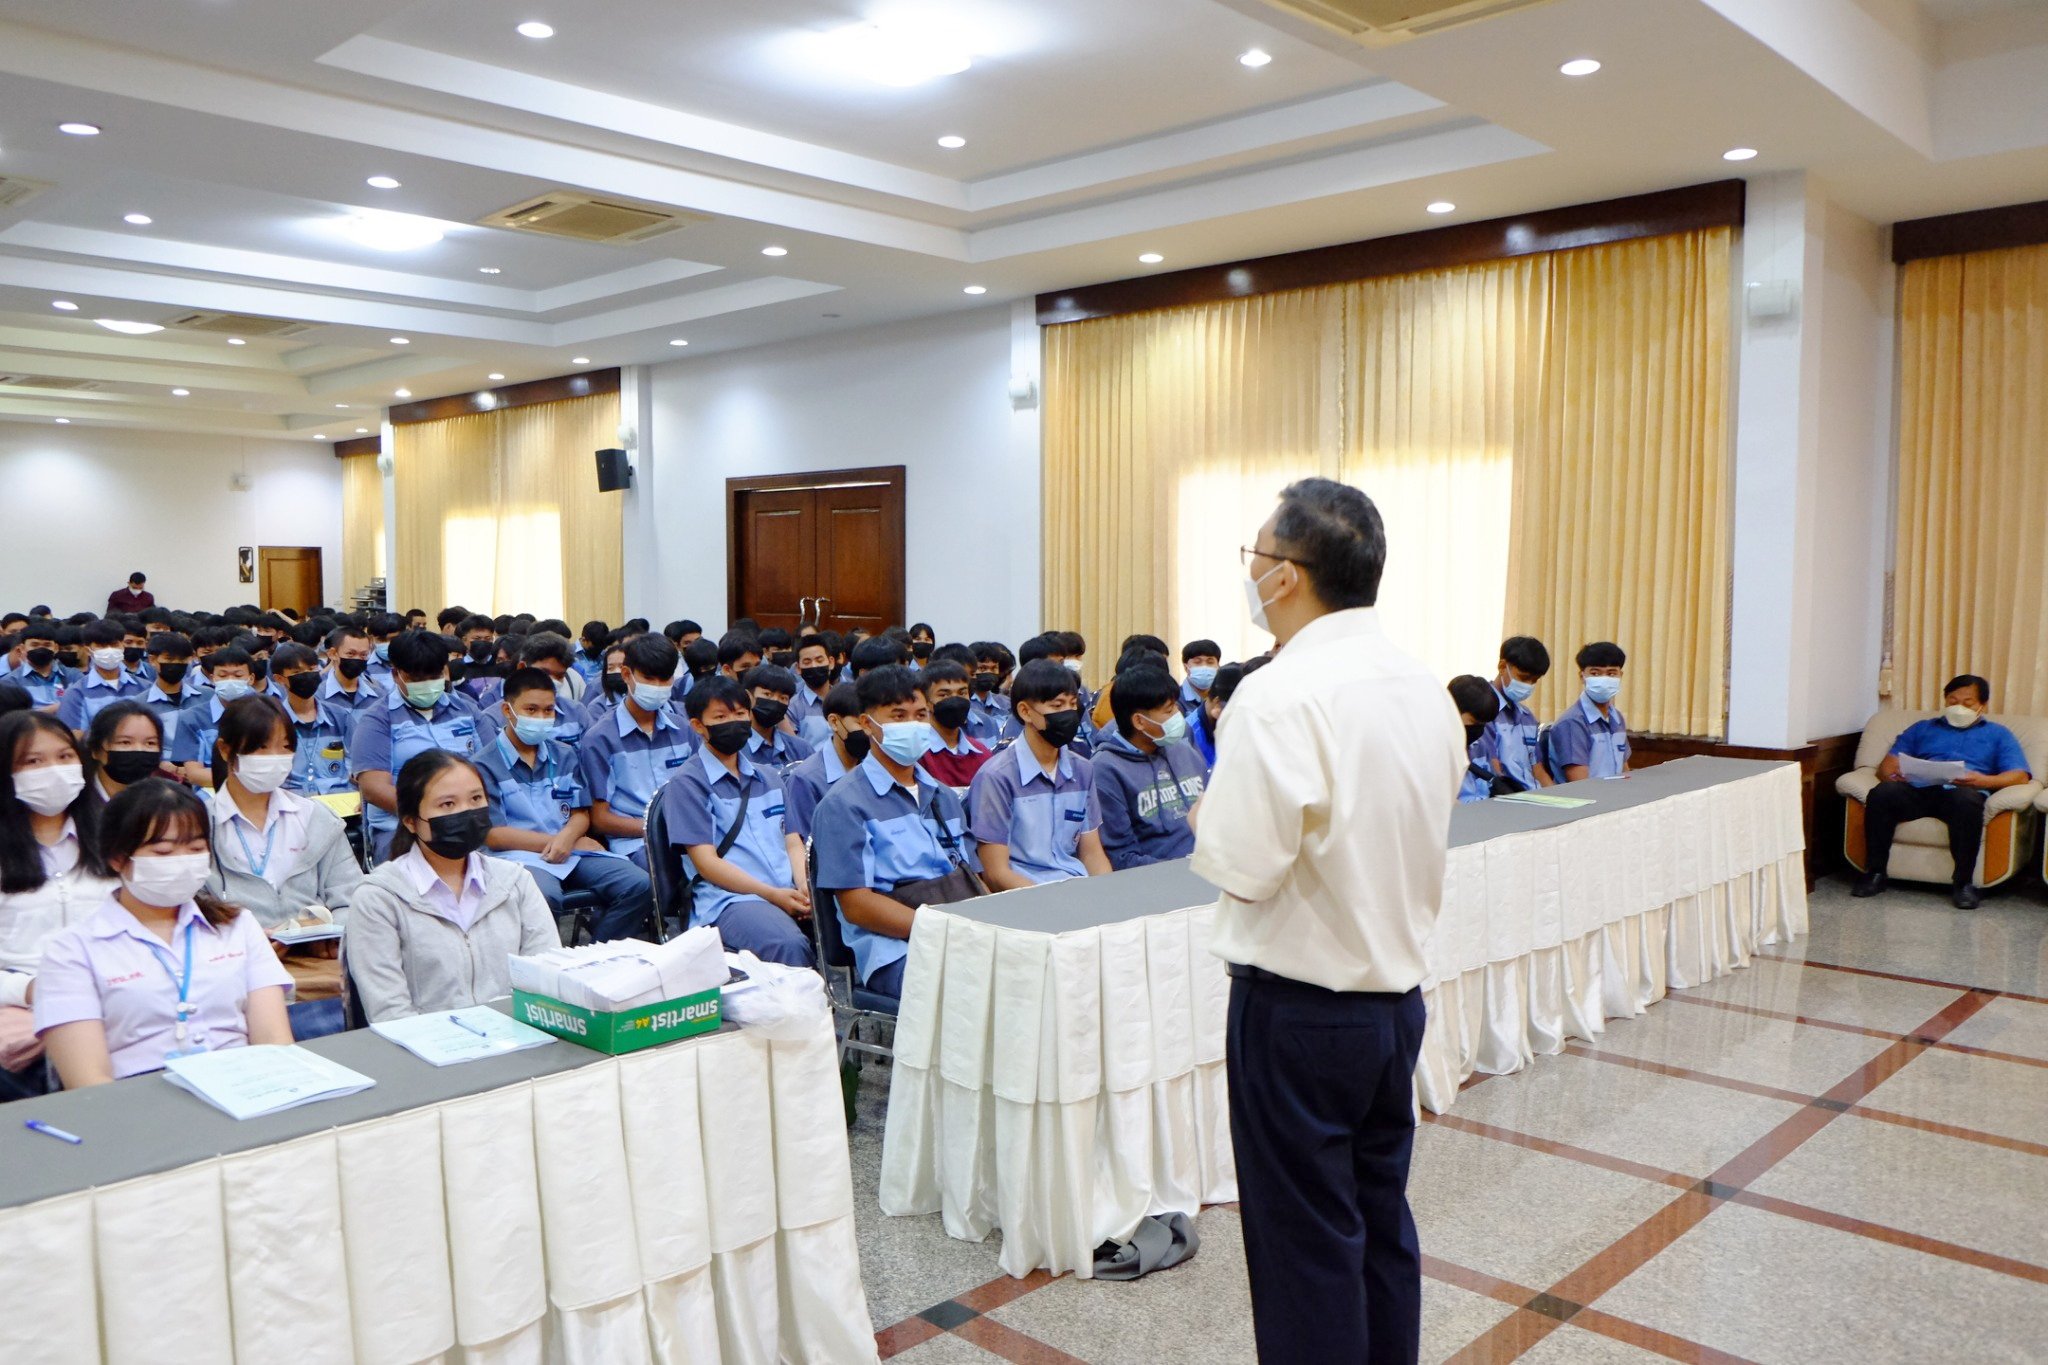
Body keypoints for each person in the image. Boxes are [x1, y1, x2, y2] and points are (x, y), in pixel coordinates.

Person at [1191, 478, 1464, 1364]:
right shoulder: (1422, 686)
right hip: (1394, 1005)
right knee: (1380, 1226)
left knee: (1305, 1249)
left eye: (1258, 556)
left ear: (1288, 577)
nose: (1254, 572)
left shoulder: (1280, 693)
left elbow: (1244, 864)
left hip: (1298, 1012)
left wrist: (1206, 813)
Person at [34, 778, 295, 1086]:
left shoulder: (238, 925)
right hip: (136, 1101)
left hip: (245, 1087)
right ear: (117, 858)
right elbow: (89, 1081)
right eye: (162, 851)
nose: (182, 863)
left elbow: (275, 1042)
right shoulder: (72, 951)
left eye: (196, 848)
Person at [343, 749, 561, 1021]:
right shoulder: (379, 898)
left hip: (517, 1042)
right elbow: (390, 1013)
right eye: (447, 805)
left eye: (476, 799)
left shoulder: (515, 881)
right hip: (427, 1052)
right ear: (411, 821)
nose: (467, 813)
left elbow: (546, 980)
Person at [810, 665, 979, 1001]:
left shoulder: (943, 796)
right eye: (898, 716)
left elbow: (970, 875)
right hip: (892, 950)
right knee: (974, 988)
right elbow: (858, 905)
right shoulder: (844, 804)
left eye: (920, 715)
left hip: (959, 934)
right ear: (866, 723)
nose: (912, 726)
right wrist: (942, 931)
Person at [475, 668, 652, 942]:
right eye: (531, 710)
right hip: (517, 856)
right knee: (543, 896)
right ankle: (545, 968)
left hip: (571, 852)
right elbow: (494, 834)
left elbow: (581, 812)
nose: (541, 718)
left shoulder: (565, 754)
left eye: (548, 711)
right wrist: (562, 842)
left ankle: (597, 955)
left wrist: (568, 839)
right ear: (507, 711)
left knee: (638, 884)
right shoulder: (483, 764)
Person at [0, 712, 119, 1098]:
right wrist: (30, 989)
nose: (53, 771)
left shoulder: (114, 837)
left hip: (115, 991)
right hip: (21, 1001)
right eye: (33, 761)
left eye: (65, 757)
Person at [660, 676, 815, 966]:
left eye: (740, 714)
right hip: (729, 899)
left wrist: (803, 885)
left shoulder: (769, 777)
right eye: (721, 716)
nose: (734, 721)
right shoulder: (688, 784)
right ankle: (794, 1010)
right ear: (698, 726)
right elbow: (707, 864)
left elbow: (792, 841)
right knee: (788, 943)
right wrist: (771, 894)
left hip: (785, 888)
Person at [1856, 674, 2032, 909]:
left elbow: (2020, 775)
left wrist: (1983, 780)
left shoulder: (1998, 734)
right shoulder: (1922, 728)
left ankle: (1963, 884)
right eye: (1952, 700)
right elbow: (1887, 765)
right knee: (1882, 793)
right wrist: (1893, 775)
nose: (1958, 707)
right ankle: (1875, 874)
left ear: (1982, 705)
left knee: (1966, 800)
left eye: (1967, 703)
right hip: (1919, 789)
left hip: (1962, 793)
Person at [966, 659, 1110, 888]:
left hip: (1078, 890)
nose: (1068, 713)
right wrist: (1051, 904)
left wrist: (1108, 894)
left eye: (1072, 704)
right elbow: (996, 873)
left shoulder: (1082, 770)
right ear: (1025, 711)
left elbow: (1092, 855)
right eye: (1057, 706)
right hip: (1026, 897)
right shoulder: (997, 777)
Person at [350, 629, 488, 860]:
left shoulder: (467, 710)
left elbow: (491, 768)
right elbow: (374, 788)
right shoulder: (377, 720)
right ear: (396, 675)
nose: (427, 684)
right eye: (417, 679)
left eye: (434, 676)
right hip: (403, 827)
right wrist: (431, 817)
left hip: (470, 821)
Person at [576, 632, 695, 868]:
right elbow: (600, 820)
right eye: (649, 679)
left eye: (665, 679)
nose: (658, 687)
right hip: (635, 843)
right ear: (626, 675)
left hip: (689, 834)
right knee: (670, 869)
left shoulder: (683, 729)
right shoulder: (600, 738)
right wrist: (658, 828)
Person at [1093, 664, 1208, 869]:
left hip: (1209, 870)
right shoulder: (1106, 770)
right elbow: (1122, 857)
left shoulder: (1184, 750)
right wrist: (1184, 872)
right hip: (1157, 880)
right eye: (1169, 710)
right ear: (1139, 721)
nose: (1178, 716)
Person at [170, 646, 270, 785]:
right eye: (223, 676)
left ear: (251, 678)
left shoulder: (267, 715)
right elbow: (194, 774)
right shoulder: (191, 718)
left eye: (238, 675)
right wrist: (246, 782)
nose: (230, 680)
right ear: (213, 678)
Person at [269, 643, 354, 795]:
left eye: (312, 669)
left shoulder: (340, 716)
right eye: (297, 672)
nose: (307, 675)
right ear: (280, 679)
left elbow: (353, 762)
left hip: (339, 800)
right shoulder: (272, 720)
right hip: (291, 800)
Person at [784, 683, 865, 840]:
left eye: (871, 723)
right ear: (834, 722)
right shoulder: (805, 779)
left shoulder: (874, 768)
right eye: (859, 723)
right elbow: (802, 844)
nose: (867, 731)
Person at [1548, 642, 1631, 781]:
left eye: (1611, 673)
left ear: (1620, 675)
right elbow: (1580, 784)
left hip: (1615, 796)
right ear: (1582, 676)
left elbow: (1624, 770)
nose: (1604, 679)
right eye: (1595, 673)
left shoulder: (1617, 718)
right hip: (1587, 798)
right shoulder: (1572, 723)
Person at [55, 619, 148, 733]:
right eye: (101, 646)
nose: (109, 650)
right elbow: (74, 737)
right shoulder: (76, 693)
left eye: (114, 644)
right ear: (88, 650)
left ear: (122, 646)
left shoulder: (145, 688)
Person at [1486, 636, 1555, 790]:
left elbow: (1537, 768)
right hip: (1504, 797)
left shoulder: (1527, 718)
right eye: (1524, 678)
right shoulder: (1482, 710)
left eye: (1534, 680)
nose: (1528, 685)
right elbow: (1492, 767)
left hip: (1532, 797)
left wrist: (1559, 796)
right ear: (1502, 666)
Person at [918, 660, 993, 788]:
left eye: (962, 693)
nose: (955, 700)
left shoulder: (981, 753)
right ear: (926, 702)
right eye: (944, 694)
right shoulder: (917, 752)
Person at [141, 630, 207, 756]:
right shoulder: (140, 704)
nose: (176, 664)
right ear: (152, 660)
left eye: (182, 659)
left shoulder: (207, 696)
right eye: (169, 659)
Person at [86, 701, 168, 799]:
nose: (139, 750)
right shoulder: (73, 802)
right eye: (125, 742)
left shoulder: (168, 800)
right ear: (96, 750)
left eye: (150, 743)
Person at [739, 664, 813, 767]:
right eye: (767, 694)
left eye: (783, 698)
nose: (775, 701)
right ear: (748, 697)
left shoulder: (801, 748)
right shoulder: (735, 750)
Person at [1449, 675, 1506, 803]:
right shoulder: (1436, 751)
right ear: (1453, 710)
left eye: (1483, 725)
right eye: (1474, 723)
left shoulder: (1480, 746)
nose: (1478, 730)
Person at [319, 623, 383, 725]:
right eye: (350, 654)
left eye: (363, 655)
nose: (357, 659)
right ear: (333, 654)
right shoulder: (318, 696)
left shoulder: (380, 695)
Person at [790, 636, 837, 748]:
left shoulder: (847, 699)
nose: (814, 666)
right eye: (807, 662)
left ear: (831, 662)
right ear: (798, 668)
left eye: (819, 660)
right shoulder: (793, 707)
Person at [1179, 639, 1222, 717]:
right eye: (1197, 662)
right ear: (1186, 667)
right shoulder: (1176, 698)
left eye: (1210, 662)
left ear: (1218, 667)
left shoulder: (1222, 697)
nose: (1204, 667)